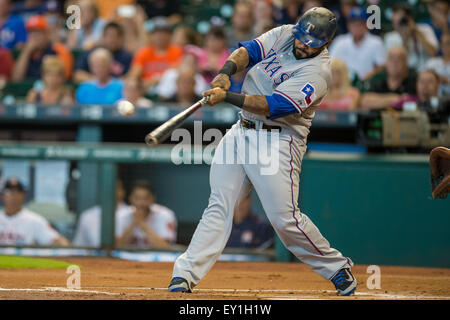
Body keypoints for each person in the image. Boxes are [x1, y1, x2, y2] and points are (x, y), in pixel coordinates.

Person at [169, 7, 357, 297]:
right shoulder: (285, 34)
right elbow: (249, 51)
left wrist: (228, 95)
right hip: (241, 131)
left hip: (278, 141)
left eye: (312, 43)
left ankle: (336, 268)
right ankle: (184, 275)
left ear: (325, 43)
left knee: (285, 220)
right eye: (302, 38)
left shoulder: (317, 73)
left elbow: (273, 106)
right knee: (219, 204)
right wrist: (224, 74)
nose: (303, 45)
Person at [0, 177, 70, 246]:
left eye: (18, 192)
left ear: (23, 195)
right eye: (9, 192)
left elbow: (58, 240)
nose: (14, 195)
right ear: (2, 196)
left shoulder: (34, 220)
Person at [329, 6, 386, 81]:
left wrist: (370, 75)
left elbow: (382, 66)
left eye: (359, 23)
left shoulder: (376, 42)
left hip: (368, 84)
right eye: (353, 23)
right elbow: (330, 65)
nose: (356, 27)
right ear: (348, 25)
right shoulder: (340, 41)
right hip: (343, 84)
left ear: (366, 24)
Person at [115, 180, 177, 249]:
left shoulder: (165, 215)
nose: (141, 203)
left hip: (156, 258)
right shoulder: (121, 215)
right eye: (137, 198)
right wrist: (133, 223)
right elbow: (118, 245)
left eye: (145, 198)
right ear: (130, 198)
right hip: (127, 258)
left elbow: (166, 247)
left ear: (153, 198)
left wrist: (142, 224)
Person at [127, 16, 183, 91]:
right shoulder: (144, 52)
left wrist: (153, 81)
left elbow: (175, 73)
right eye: (156, 33)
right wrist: (137, 82)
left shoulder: (177, 51)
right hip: (146, 90)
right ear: (151, 35)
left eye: (164, 33)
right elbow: (134, 74)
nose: (160, 36)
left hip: (169, 91)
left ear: (170, 35)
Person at [11, 15, 73, 81]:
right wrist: (27, 51)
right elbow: (16, 78)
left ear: (47, 34)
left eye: (38, 32)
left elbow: (64, 78)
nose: (34, 35)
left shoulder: (58, 50)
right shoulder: (24, 53)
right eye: (31, 32)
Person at [72, 179, 130, 247]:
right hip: (94, 257)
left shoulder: (132, 214)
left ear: (123, 192)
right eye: (108, 188)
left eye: (116, 188)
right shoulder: (87, 216)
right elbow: (78, 246)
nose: (112, 191)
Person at [384, 3, 438, 71]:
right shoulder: (390, 37)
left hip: (427, 69)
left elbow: (433, 53)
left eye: (405, 15)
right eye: (397, 14)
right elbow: (397, 60)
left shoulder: (425, 29)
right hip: (406, 72)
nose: (401, 18)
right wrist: (405, 38)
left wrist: (416, 32)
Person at [424, 31, 450, 96]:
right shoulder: (431, 62)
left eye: (448, 43)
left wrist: (446, 80)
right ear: (440, 45)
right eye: (442, 44)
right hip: (434, 97)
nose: (445, 47)